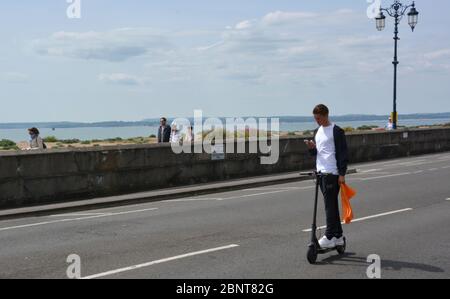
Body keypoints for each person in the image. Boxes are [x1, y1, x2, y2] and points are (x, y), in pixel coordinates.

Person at [304, 104, 349, 249]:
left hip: (332, 173)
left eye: (318, 118)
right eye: (315, 118)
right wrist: (312, 149)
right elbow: (318, 153)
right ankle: (338, 236)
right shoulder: (317, 131)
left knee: (329, 206)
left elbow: (343, 154)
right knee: (331, 205)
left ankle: (329, 235)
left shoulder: (336, 131)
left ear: (325, 115)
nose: (316, 121)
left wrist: (342, 173)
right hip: (321, 173)